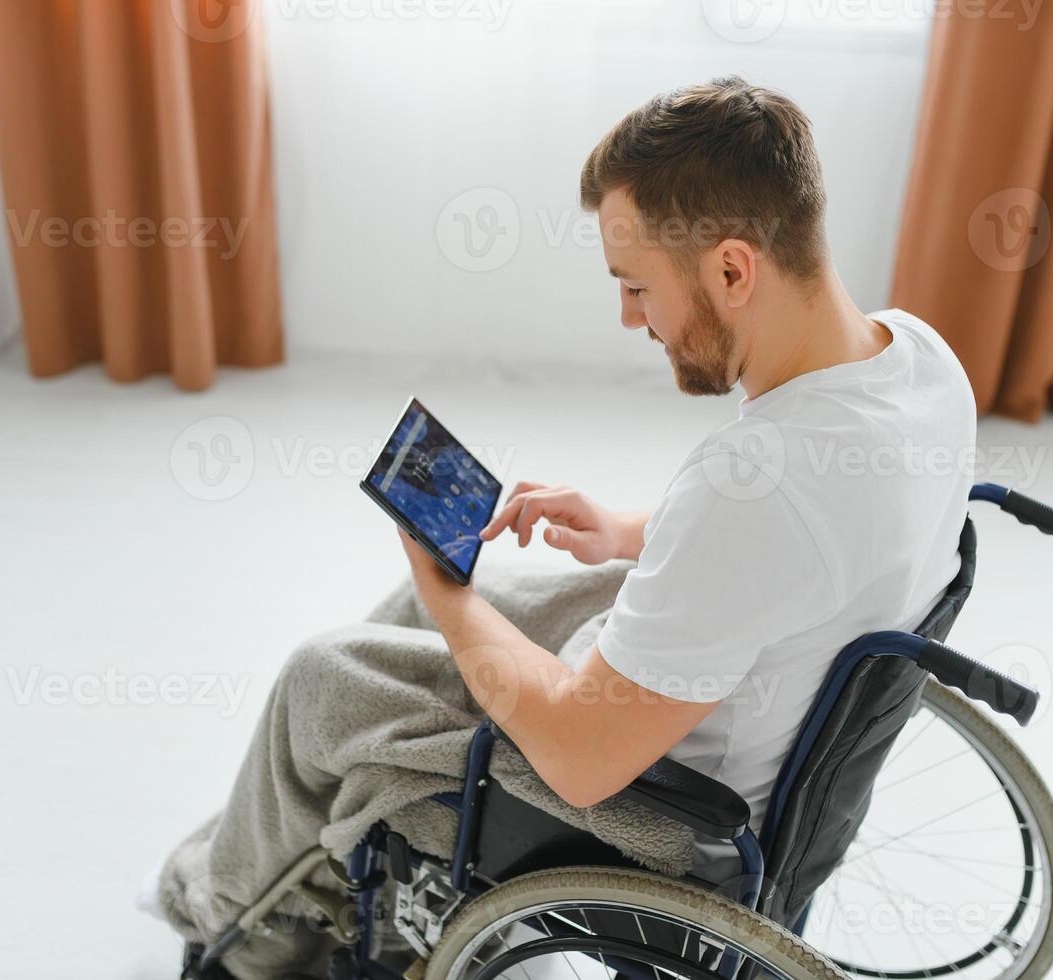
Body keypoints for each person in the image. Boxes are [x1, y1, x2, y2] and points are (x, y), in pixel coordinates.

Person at [398, 74, 976, 876]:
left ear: (732, 272)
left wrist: (447, 593)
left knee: (322, 679)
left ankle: (227, 927)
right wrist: (626, 531)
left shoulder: (754, 481)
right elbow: (806, 552)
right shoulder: (921, 357)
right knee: (418, 617)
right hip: (728, 704)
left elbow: (578, 761)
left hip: (671, 811)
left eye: (636, 287)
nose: (631, 319)